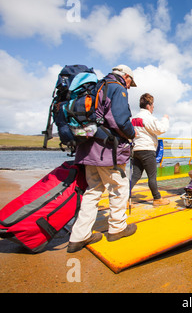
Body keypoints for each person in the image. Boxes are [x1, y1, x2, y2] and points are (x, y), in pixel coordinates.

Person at [67, 64, 137, 253]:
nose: (130, 87)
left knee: (93, 190)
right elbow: (120, 120)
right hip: (107, 152)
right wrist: (132, 134)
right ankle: (117, 228)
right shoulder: (118, 88)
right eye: (131, 82)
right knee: (119, 188)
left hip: (87, 149)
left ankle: (78, 236)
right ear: (126, 77)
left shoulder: (96, 86)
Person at [130, 93, 170, 206]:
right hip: (147, 150)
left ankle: (125, 196)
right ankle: (157, 199)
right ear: (148, 105)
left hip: (136, 149)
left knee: (135, 175)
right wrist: (165, 119)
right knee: (152, 176)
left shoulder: (134, 118)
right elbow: (161, 129)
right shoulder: (148, 117)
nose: (153, 108)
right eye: (153, 106)